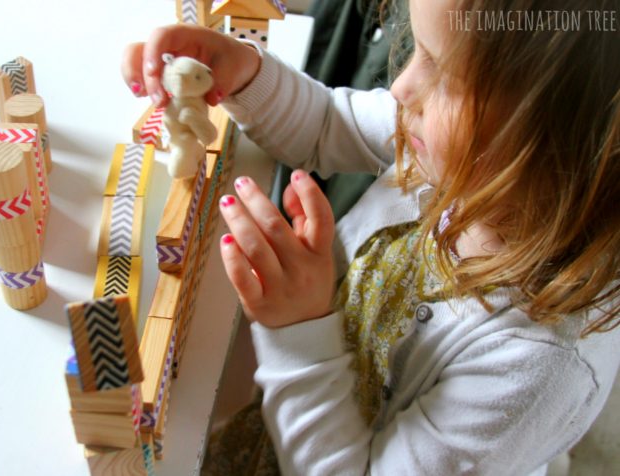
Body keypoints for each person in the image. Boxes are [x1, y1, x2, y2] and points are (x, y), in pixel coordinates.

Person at [122, 0, 620, 473]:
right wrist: (243, 75)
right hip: (296, 414)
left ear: (557, 144)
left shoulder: (535, 371)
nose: (401, 89)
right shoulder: (456, 148)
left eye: (445, 75)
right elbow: (326, 124)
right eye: (418, 51)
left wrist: (299, 331)